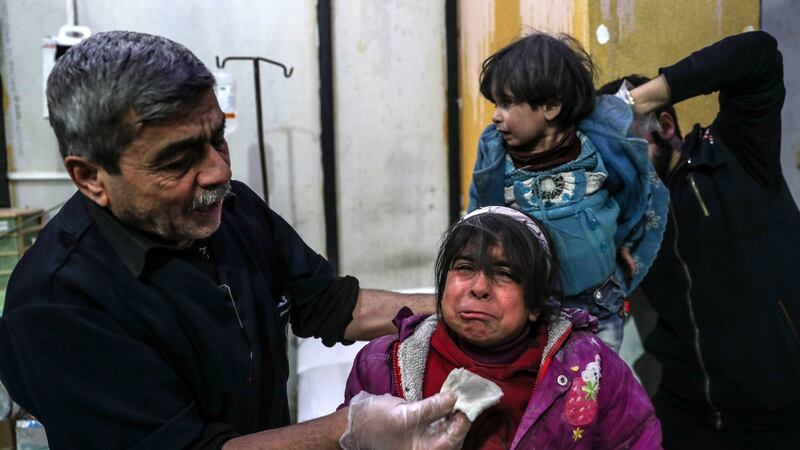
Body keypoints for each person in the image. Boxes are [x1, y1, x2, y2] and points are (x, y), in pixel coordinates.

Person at [0, 31, 471, 450]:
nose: (220, 171)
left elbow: (330, 304)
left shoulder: (233, 211)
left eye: (217, 139)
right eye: (176, 160)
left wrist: (457, 306)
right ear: (91, 177)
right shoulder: (57, 307)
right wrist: (345, 430)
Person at [598, 31, 800, 449]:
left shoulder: (736, 153)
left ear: (664, 124)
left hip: (786, 416)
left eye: (624, 143)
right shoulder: (622, 217)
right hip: (690, 419)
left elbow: (757, 53)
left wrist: (634, 101)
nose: (616, 164)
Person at [340, 206, 662, 449]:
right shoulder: (382, 365)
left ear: (536, 304)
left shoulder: (589, 367)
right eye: (465, 267)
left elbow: (636, 439)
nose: (479, 287)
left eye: (504, 273)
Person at [468, 32, 669, 352]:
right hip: (535, 312)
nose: (496, 115)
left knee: (591, 389)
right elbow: (480, 216)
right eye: (496, 103)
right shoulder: (496, 156)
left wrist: (625, 240)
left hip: (601, 306)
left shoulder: (594, 147)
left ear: (550, 106)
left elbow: (632, 191)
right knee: (543, 391)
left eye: (506, 103)